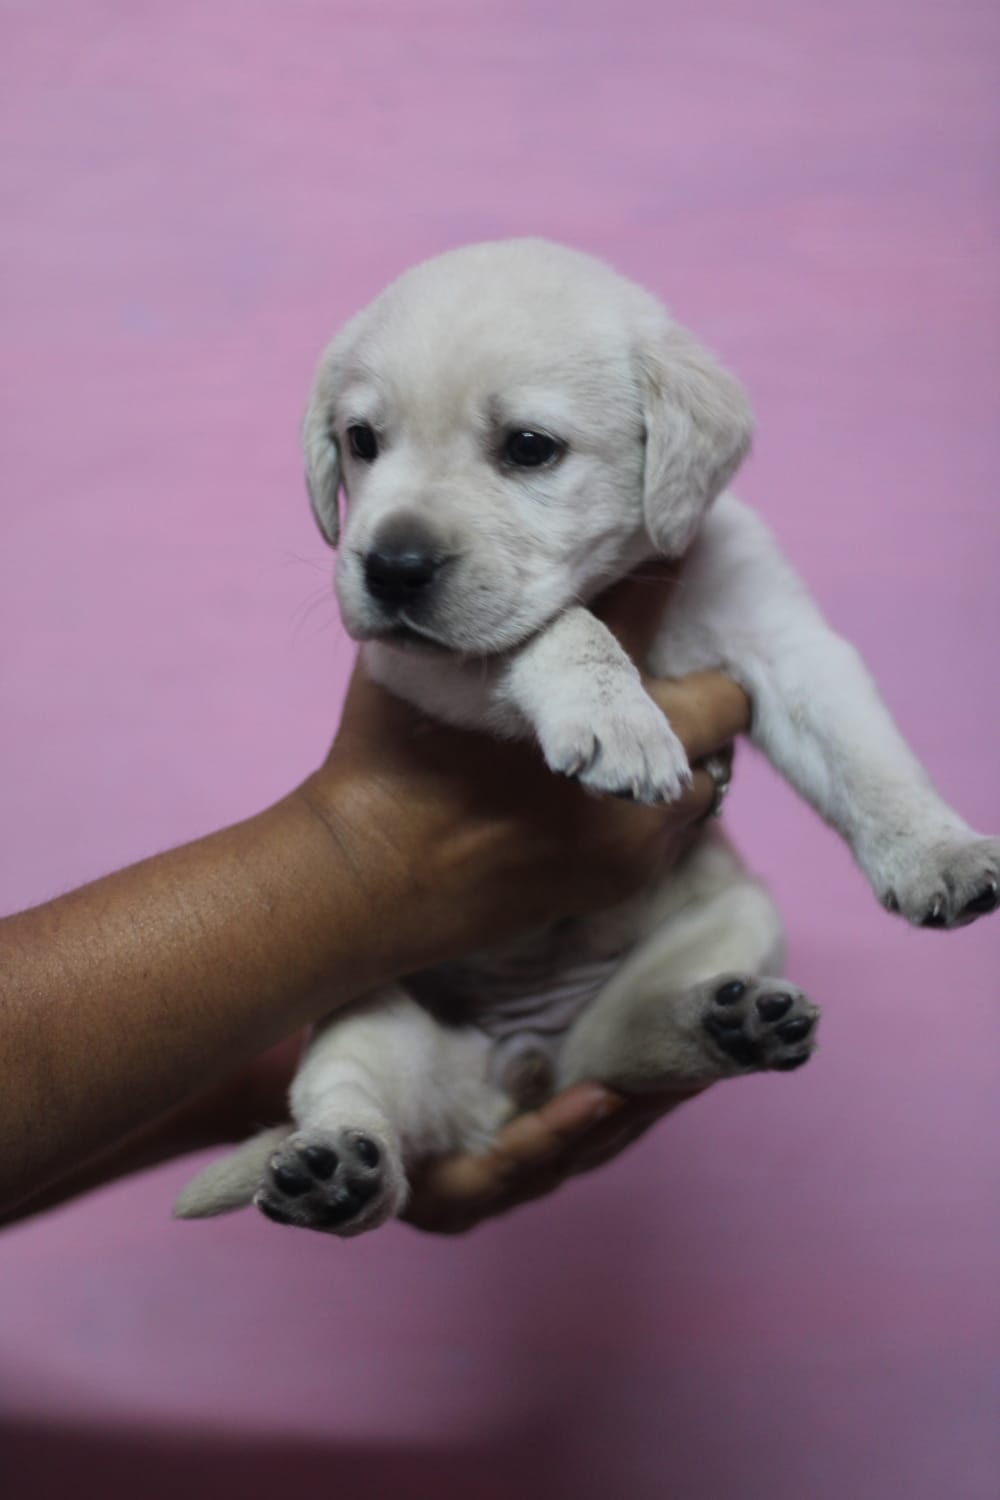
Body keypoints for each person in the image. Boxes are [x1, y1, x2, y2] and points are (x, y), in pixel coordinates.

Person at [0, 569, 749, 1232]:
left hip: (551, 999)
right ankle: (354, 1131)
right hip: (466, 1009)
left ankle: (351, 1129)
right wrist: (366, 858)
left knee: (732, 940)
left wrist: (252, 1082)